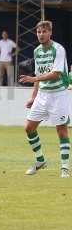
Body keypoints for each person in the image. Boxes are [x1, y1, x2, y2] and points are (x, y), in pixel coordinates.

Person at [19, 20, 70, 178]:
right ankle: (40, 160)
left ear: (50, 32)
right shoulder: (37, 51)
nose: (41, 34)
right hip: (42, 95)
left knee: (61, 130)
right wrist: (32, 97)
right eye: (39, 32)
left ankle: (65, 168)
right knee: (29, 128)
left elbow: (56, 74)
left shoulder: (58, 49)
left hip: (58, 94)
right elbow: (38, 76)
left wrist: (33, 79)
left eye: (44, 32)